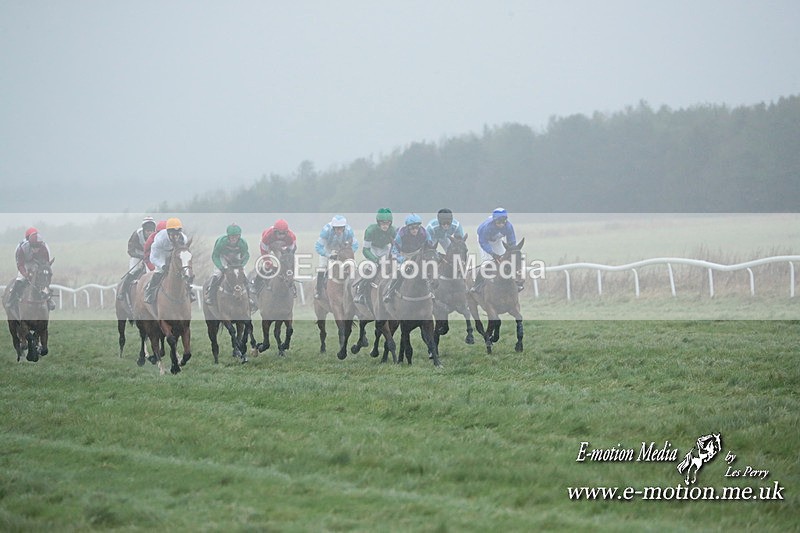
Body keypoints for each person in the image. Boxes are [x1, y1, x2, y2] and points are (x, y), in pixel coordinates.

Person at [383, 214, 432, 302]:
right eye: (412, 228)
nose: (414, 230)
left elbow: (430, 247)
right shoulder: (401, 233)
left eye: (417, 227)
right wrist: (402, 259)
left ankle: (433, 293)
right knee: (399, 271)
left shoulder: (425, 233)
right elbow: (394, 251)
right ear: (407, 227)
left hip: (418, 253)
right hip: (403, 254)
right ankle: (390, 292)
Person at [353, 208, 396, 304]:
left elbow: (395, 247)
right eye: (383, 223)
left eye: (387, 223)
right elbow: (365, 250)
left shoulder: (393, 231)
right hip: (372, 250)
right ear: (378, 222)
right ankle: (360, 292)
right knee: (370, 269)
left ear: (390, 223)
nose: (385, 226)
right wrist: (375, 260)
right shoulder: (370, 230)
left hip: (385, 250)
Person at [473, 207, 520, 293]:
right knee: (487, 262)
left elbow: (511, 241)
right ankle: (477, 285)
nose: (501, 224)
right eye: (499, 222)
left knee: (505, 260)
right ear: (494, 221)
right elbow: (483, 242)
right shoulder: (486, 227)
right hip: (484, 241)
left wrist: (512, 251)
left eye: (503, 221)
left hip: (497, 240)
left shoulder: (508, 226)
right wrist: (492, 253)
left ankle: (514, 283)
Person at [9, 227, 56, 311]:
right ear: (29, 243)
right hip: (25, 264)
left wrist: (43, 269)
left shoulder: (44, 248)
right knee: (20, 279)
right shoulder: (22, 248)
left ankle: (48, 299)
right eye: (34, 247)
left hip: (38, 264)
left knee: (43, 278)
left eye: (38, 246)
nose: (36, 249)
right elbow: (20, 264)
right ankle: (12, 300)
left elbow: (46, 262)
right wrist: (25, 273)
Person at [144, 217, 189, 304]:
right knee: (159, 271)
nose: (176, 237)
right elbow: (153, 258)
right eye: (173, 234)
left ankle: (189, 291)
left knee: (183, 271)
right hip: (161, 254)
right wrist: (162, 265)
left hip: (174, 254)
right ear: (168, 233)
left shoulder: (183, 239)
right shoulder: (159, 240)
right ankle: (149, 292)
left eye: (177, 234)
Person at [314, 215, 358, 299]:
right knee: (322, 267)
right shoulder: (326, 231)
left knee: (353, 267)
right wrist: (328, 255)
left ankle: (355, 291)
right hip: (328, 249)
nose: (339, 231)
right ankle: (318, 291)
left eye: (341, 228)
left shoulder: (349, 231)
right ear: (333, 228)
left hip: (342, 249)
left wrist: (346, 253)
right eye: (337, 228)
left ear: (344, 228)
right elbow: (318, 247)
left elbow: (355, 245)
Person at [206, 224, 250, 306]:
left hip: (237, 258)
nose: (233, 238)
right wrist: (221, 267)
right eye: (231, 236)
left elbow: (246, 255)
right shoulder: (222, 242)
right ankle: (210, 297)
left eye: (235, 236)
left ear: (239, 236)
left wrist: (242, 265)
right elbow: (215, 255)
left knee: (244, 275)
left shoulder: (242, 243)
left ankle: (250, 298)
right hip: (223, 257)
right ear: (228, 236)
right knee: (217, 274)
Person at [117, 217, 157, 300]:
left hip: (150, 255)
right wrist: (140, 256)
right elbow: (130, 250)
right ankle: (122, 292)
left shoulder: (157, 235)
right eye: (147, 231)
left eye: (151, 231)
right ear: (143, 229)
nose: (149, 233)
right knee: (133, 271)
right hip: (137, 255)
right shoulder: (137, 234)